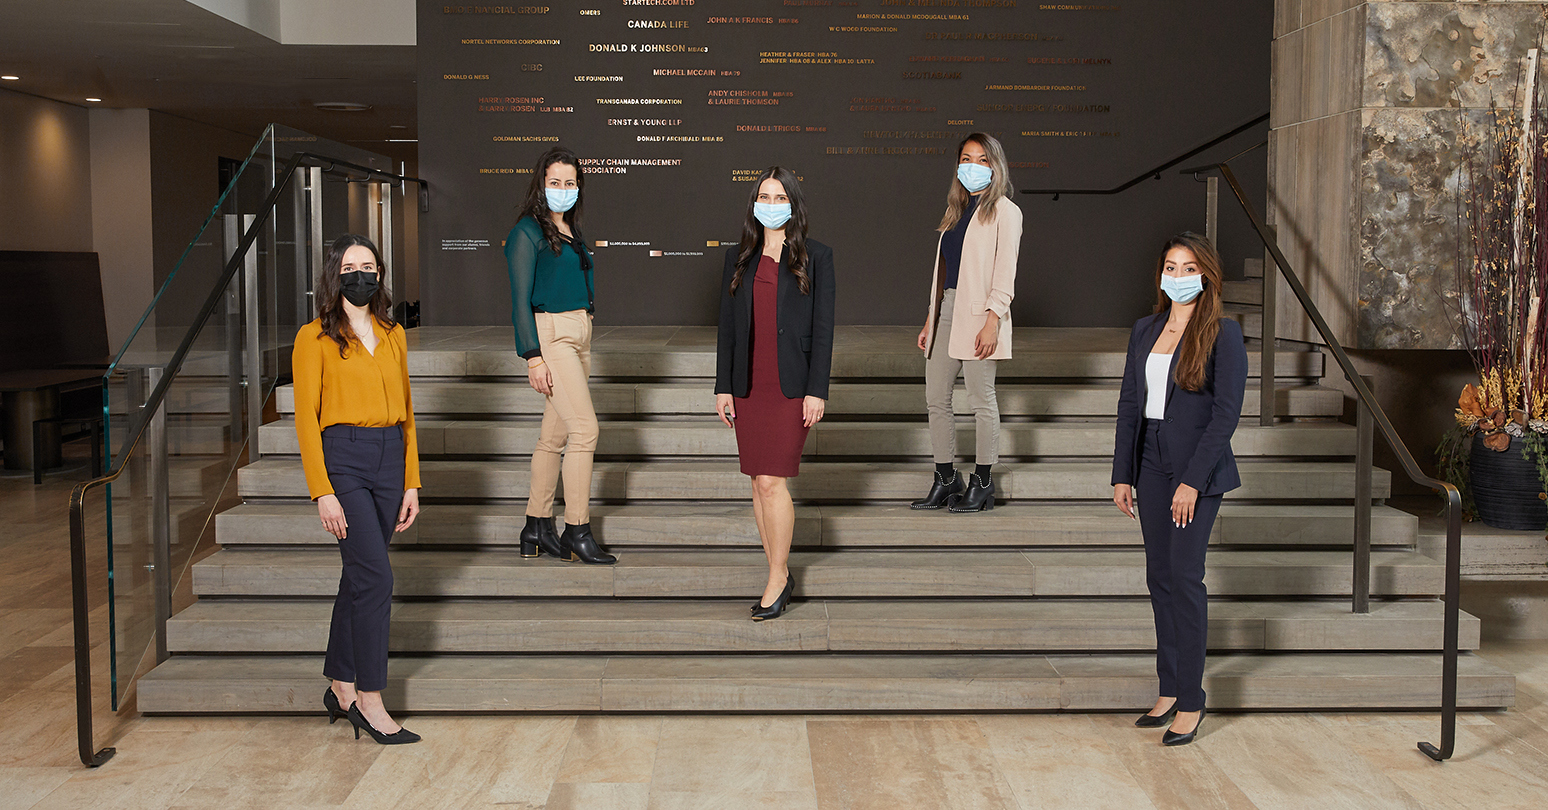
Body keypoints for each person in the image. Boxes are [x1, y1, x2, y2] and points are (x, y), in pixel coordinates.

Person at [1111, 232, 1247, 747]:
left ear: (1207, 276)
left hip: (1196, 471)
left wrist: (1192, 480)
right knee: (1160, 578)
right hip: (1149, 466)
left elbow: (1225, 415)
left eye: (1190, 268)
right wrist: (1122, 473)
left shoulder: (1223, 333)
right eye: (1172, 266)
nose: (1180, 275)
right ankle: (1169, 687)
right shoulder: (1145, 329)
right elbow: (1129, 404)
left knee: (1186, 579)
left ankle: (1191, 699)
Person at [293, 233, 422, 745]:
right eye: (350, 267)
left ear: (380, 273)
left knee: (358, 576)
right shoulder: (314, 338)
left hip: (391, 456)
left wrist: (412, 479)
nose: (361, 274)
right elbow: (306, 420)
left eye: (369, 265)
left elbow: (409, 412)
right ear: (335, 275)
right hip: (342, 458)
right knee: (376, 578)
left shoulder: (393, 333)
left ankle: (339, 684)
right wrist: (321, 490)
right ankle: (370, 699)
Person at [714, 166, 836, 621]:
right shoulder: (738, 257)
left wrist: (816, 390)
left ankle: (779, 576)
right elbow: (727, 329)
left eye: (779, 196)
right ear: (753, 203)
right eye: (763, 195)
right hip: (748, 384)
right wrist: (723, 386)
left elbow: (823, 330)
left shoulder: (816, 257)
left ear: (793, 205)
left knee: (771, 481)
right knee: (756, 482)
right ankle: (776, 571)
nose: (770, 203)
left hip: (790, 384)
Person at [505, 146, 615, 565]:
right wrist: (533, 356)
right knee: (585, 431)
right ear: (541, 184)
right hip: (551, 334)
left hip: (579, 334)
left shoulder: (569, 230)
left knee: (553, 438)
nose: (563, 190)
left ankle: (535, 526)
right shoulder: (526, 233)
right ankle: (576, 530)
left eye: (570, 183)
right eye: (555, 182)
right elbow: (519, 300)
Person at [911, 132, 1022, 513]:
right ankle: (945, 478)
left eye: (981, 159)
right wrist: (931, 318)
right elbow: (945, 274)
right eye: (966, 158)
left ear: (995, 165)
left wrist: (993, 320)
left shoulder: (1005, 211)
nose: (972, 166)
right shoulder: (955, 212)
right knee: (936, 398)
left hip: (981, 314)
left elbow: (1005, 273)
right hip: (946, 310)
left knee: (980, 399)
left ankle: (983, 481)